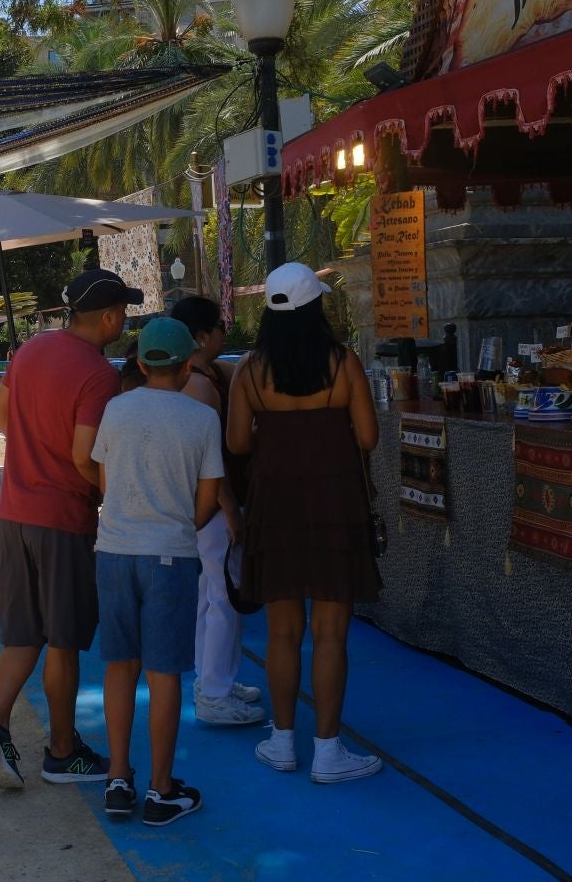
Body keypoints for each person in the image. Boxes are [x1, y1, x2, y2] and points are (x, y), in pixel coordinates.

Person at [0, 267, 138, 792]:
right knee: (63, 639)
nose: (125, 321)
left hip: (15, 512)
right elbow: (83, 455)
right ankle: (62, 752)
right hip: (62, 517)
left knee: (23, 631)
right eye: (123, 313)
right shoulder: (98, 373)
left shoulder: (31, 350)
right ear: (108, 317)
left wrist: (31, 448)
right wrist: (113, 493)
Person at [227, 263, 384, 783]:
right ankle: (329, 750)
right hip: (335, 505)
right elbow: (368, 437)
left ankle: (281, 741)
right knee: (332, 633)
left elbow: (238, 445)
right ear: (316, 307)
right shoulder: (343, 363)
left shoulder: (249, 370)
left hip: (275, 507)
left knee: (281, 631)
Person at [85, 317, 224, 826]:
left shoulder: (115, 410)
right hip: (171, 555)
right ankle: (161, 789)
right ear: (188, 365)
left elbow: (104, 484)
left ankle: (118, 778)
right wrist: (176, 525)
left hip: (114, 551)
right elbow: (206, 503)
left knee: (120, 665)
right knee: (165, 674)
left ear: (141, 364)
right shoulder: (201, 420)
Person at [171, 295, 265, 727]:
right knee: (224, 595)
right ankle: (214, 691)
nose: (226, 336)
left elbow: (243, 366)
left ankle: (213, 679)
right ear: (204, 336)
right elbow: (210, 461)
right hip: (212, 504)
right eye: (220, 329)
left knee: (214, 593)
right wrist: (230, 509)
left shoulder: (205, 373)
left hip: (205, 503)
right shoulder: (199, 385)